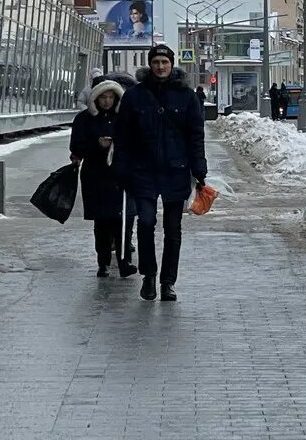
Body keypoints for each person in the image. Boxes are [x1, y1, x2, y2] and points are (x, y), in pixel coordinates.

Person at [115, 43, 208, 302]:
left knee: (172, 228)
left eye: (164, 62)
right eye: (156, 62)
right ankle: (149, 275)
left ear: (171, 64)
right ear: (150, 65)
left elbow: (195, 135)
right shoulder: (135, 96)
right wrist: (121, 168)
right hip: (142, 170)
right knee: (145, 223)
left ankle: (168, 282)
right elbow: (122, 136)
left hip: (175, 170)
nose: (160, 67)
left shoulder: (186, 96)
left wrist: (199, 166)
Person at [70, 78, 132, 277]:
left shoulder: (124, 118)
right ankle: (103, 261)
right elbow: (76, 147)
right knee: (102, 221)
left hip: (119, 174)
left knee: (121, 219)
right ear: (96, 99)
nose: (107, 101)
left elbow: (135, 142)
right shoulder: (84, 119)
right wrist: (98, 145)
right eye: (103, 97)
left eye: (111, 97)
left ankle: (123, 261)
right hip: (95, 175)